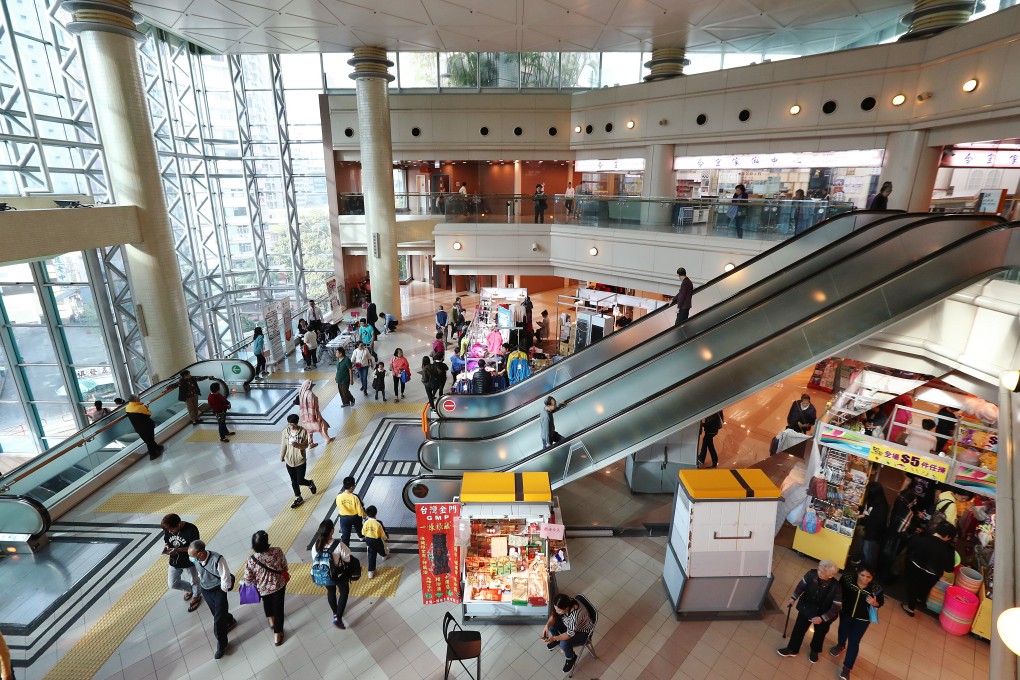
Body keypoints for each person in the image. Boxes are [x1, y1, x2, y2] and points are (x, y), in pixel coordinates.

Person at [777, 560, 842, 663]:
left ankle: (815, 651)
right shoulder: (811, 574)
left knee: (820, 633)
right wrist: (793, 598)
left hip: (824, 614)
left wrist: (822, 618)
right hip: (807, 607)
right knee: (799, 628)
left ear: (831, 575)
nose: (819, 573)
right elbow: (801, 586)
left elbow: (836, 607)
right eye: (819, 569)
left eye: (822, 572)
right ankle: (792, 649)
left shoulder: (836, 587)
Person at [829, 565, 884, 680]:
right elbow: (838, 592)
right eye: (862, 575)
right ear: (857, 573)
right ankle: (840, 645)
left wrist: (874, 603)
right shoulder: (847, 579)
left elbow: (880, 603)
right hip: (845, 613)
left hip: (863, 619)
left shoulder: (876, 589)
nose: (865, 579)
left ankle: (847, 668)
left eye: (868, 577)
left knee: (854, 641)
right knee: (842, 630)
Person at [188, 540, 236, 660]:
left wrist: (222, 595)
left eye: (192, 555)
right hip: (206, 589)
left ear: (199, 554)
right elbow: (199, 571)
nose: (190, 558)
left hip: (219, 589)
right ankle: (229, 619)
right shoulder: (195, 559)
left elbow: (225, 577)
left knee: (218, 620)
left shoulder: (217, 559)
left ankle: (222, 645)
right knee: (216, 612)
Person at [243, 530, 288, 646]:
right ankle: (277, 635)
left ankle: (271, 620)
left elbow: (248, 579)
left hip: (262, 588)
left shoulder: (251, 560)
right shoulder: (277, 551)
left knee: (266, 602)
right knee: (279, 609)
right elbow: (285, 566)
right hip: (279, 585)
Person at [901, 522, 956, 617]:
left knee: (912, 587)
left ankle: (910, 608)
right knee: (924, 588)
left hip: (914, 568)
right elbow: (949, 568)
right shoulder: (949, 550)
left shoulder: (923, 537)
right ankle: (919, 599)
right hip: (932, 575)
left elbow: (910, 546)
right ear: (947, 536)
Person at [311, 518, 352, 629]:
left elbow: (314, 559)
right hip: (338, 574)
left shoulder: (316, 545)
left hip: (325, 574)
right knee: (344, 591)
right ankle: (338, 618)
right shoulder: (338, 545)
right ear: (332, 531)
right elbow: (347, 559)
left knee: (331, 592)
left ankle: (335, 613)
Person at [541, 593, 595, 673]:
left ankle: (571, 658)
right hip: (569, 625)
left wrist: (554, 638)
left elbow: (568, 635)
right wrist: (547, 626)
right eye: (555, 608)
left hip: (583, 632)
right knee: (552, 626)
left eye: (559, 610)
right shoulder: (566, 600)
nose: (556, 611)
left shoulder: (575, 616)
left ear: (566, 608)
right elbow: (554, 614)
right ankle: (557, 640)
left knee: (564, 643)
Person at [161, 513, 202, 613]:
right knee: (172, 584)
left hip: (189, 561)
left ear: (178, 524)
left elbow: (195, 548)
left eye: (171, 529)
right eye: (168, 530)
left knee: (194, 581)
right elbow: (167, 539)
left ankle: (196, 596)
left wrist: (178, 550)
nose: (169, 531)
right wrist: (167, 546)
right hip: (174, 561)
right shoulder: (168, 529)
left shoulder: (191, 529)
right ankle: (192, 590)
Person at [280, 413, 317, 508]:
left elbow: (306, 445)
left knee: (300, 480)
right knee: (293, 481)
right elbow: (283, 445)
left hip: (300, 460)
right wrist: (282, 456)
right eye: (289, 424)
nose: (291, 426)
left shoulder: (303, 431)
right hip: (289, 461)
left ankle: (310, 483)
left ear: (297, 423)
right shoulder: (285, 432)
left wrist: (298, 445)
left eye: (293, 424)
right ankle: (298, 497)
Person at [856, 482, 888, 568]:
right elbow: (867, 510)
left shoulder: (881, 506)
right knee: (863, 549)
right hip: (866, 528)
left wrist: (863, 516)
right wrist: (859, 509)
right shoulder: (873, 500)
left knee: (867, 551)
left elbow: (877, 520)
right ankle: (861, 566)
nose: (867, 492)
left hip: (872, 532)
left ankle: (866, 569)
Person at [125, 394, 163, 460]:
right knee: (150, 440)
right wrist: (146, 407)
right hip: (147, 426)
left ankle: (157, 447)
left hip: (138, 428)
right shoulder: (140, 407)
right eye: (138, 398)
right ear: (136, 400)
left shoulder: (127, 407)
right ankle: (153, 455)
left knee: (147, 440)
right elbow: (149, 413)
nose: (140, 398)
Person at [297, 379, 332, 446]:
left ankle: (310, 443)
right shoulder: (310, 394)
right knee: (322, 426)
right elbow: (313, 406)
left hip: (304, 415)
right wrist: (316, 416)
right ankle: (327, 439)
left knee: (309, 429)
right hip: (312, 414)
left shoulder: (302, 393)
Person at [335, 476, 366, 546]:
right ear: (351, 487)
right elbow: (360, 510)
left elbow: (338, 505)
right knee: (359, 527)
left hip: (343, 518)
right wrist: (364, 516)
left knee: (345, 534)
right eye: (354, 485)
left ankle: (345, 549)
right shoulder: (355, 497)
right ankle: (361, 537)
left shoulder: (338, 496)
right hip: (355, 517)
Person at [362, 505, 388, 579]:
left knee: (371, 554)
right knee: (381, 549)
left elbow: (363, 532)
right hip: (377, 540)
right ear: (376, 513)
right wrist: (385, 538)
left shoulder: (365, 523)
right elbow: (382, 534)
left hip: (368, 540)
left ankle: (370, 571)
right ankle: (384, 555)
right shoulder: (378, 523)